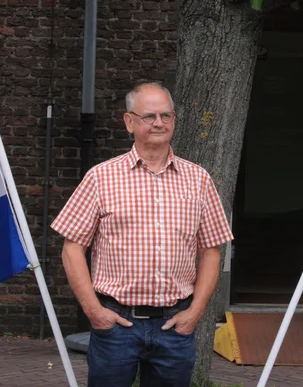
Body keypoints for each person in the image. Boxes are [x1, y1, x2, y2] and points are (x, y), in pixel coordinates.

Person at [51, 82, 233, 387]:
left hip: (175, 326)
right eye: (149, 116)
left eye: (166, 115)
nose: (159, 122)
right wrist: (95, 312)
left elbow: (212, 251)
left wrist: (195, 314)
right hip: (116, 324)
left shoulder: (198, 180)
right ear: (129, 122)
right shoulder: (101, 177)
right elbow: (72, 249)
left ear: (174, 119)